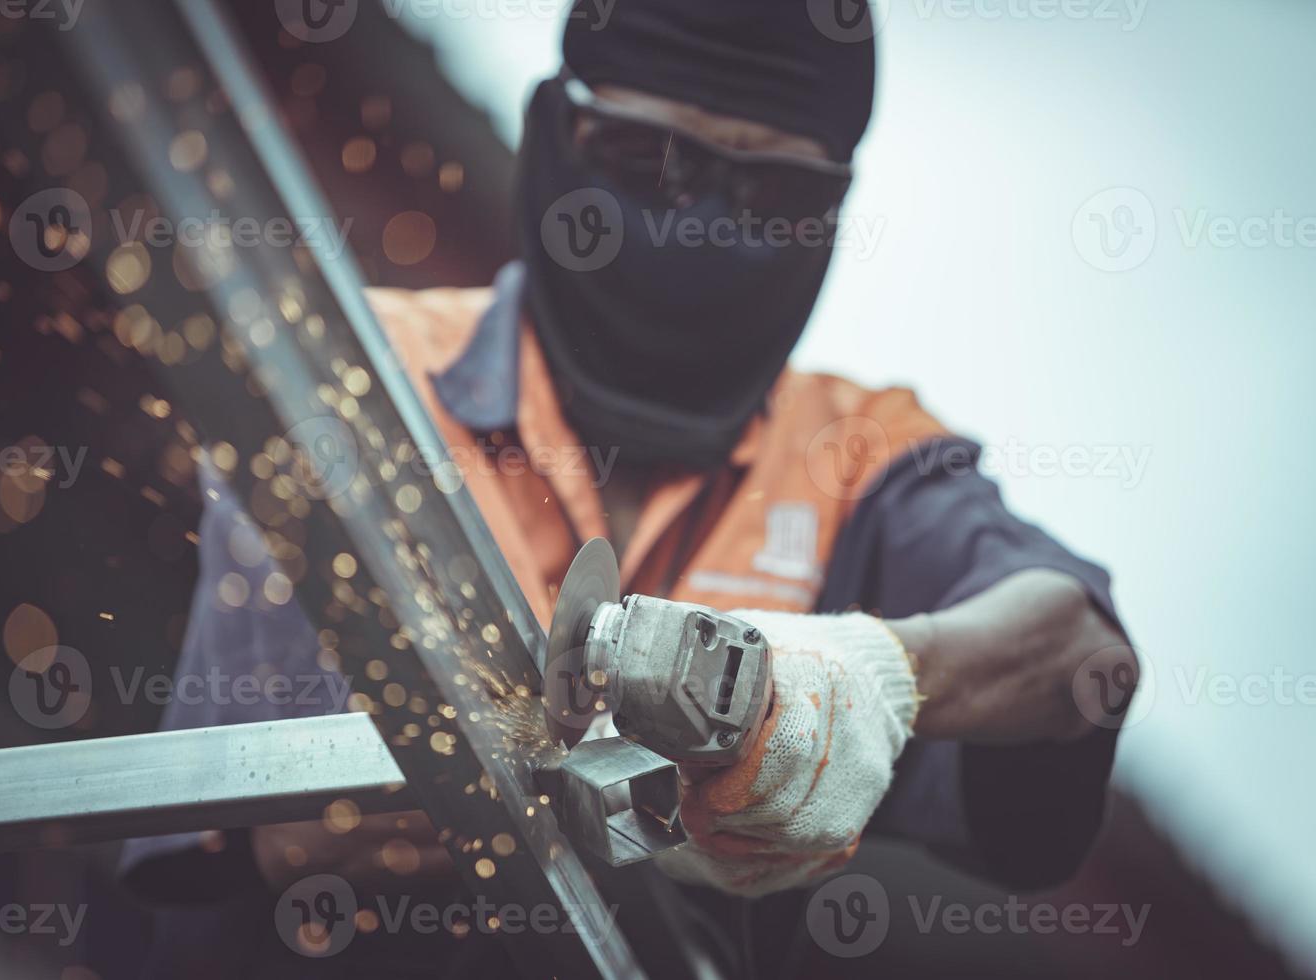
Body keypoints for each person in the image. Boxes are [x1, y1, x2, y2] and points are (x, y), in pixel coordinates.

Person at [121, 1, 1137, 975]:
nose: (700, 228)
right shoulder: (357, 374)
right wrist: (653, 795)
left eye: (772, 199)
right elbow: (297, 831)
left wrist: (876, 674)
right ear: (561, 135)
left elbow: (1080, 656)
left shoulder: (855, 455)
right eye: (650, 163)